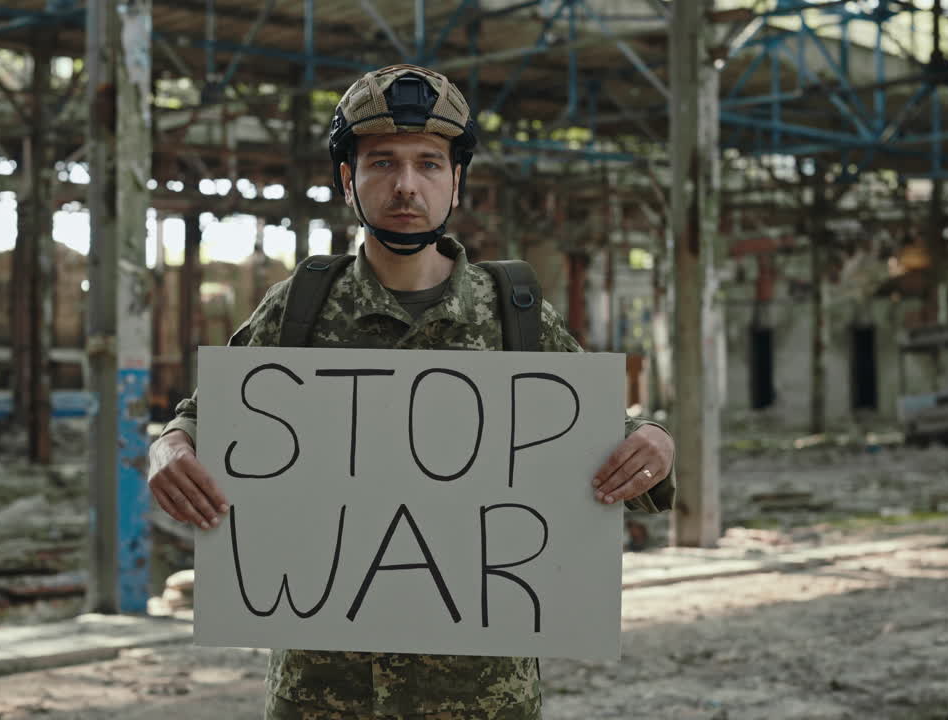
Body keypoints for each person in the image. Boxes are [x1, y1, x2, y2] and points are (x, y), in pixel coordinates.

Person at [147, 63, 677, 720]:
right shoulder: (300, 309)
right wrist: (170, 446)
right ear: (348, 178)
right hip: (324, 692)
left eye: (429, 163)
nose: (405, 185)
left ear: (457, 179)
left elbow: (604, 437)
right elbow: (202, 418)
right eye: (380, 163)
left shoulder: (513, 314)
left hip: (480, 696)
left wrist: (653, 441)